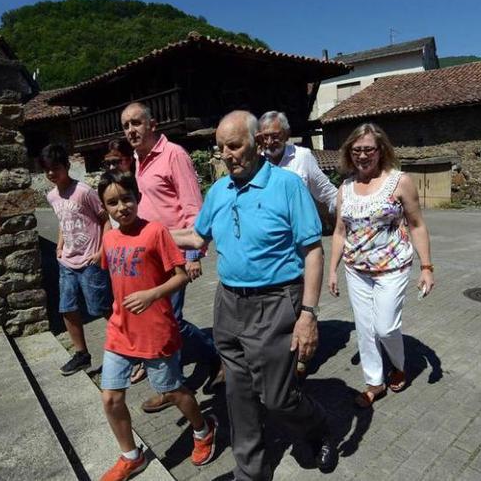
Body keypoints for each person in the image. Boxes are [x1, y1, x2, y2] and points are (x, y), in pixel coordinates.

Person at [172, 110, 337, 479]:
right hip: (228, 303)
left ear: (256, 144)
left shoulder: (286, 186)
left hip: (276, 302)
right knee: (239, 395)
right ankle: (251, 473)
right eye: (221, 149)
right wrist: (150, 232)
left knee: (277, 398)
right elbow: (198, 238)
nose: (228, 154)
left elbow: (313, 252)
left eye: (235, 145)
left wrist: (308, 314)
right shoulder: (218, 191)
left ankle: (319, 426)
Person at [97, 171, 217, 480]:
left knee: (174, 391)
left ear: (137, 198)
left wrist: (152, 294)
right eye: (112, 202)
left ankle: (203, 430)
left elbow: (180, 275)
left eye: (126, 198)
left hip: (155, 331)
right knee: (110, 398)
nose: (121, 206)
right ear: (105, 207)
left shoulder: (156, 232)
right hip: (120, 329)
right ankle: (131, 456)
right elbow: (116, 278)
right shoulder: (109, 238)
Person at [120, 102, 223, 412]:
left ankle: (217, 356)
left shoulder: (174, 154)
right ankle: (171, 382)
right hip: (149, 253)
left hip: (175, 253)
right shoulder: (139, 159)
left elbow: (194, 208)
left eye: (136, 123)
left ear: (153, 125)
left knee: (171, 322)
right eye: (126, 125)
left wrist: (193, 255)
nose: (131, 130)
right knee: (158, 320)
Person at [327, 123, 435, 408]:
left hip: (393, 266)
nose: (363, 156)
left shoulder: (399, 181)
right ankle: (375, 382)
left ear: (381, 150)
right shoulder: (345, 188)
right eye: (357, 150)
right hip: (356, 269)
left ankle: (398, 365)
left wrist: (427, 267)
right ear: (350, 153)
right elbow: (339, 232)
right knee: (364, 328)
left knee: (385, 327)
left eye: (368, 150)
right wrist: (332, 270)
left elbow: (417, 225)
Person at [40, 144, 112, 376]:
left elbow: (105, 220)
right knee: (67, 308)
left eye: (56, 168)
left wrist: (102, 250)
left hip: (91, 260)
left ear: (67, 166)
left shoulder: (83, 191)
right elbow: (64, 221)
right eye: (47, 169)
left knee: (101, 307)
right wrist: (60, 244)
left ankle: (126, 349)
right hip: (67, 262)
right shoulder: (51, 196)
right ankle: (81, 354)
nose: (52, 173)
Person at [257, 111, 338, 214]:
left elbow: (329, 193)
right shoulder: (256, 164)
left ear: (287, 135)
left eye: (275, 136)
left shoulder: (302, 157)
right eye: (265, 137)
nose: (269, 142)